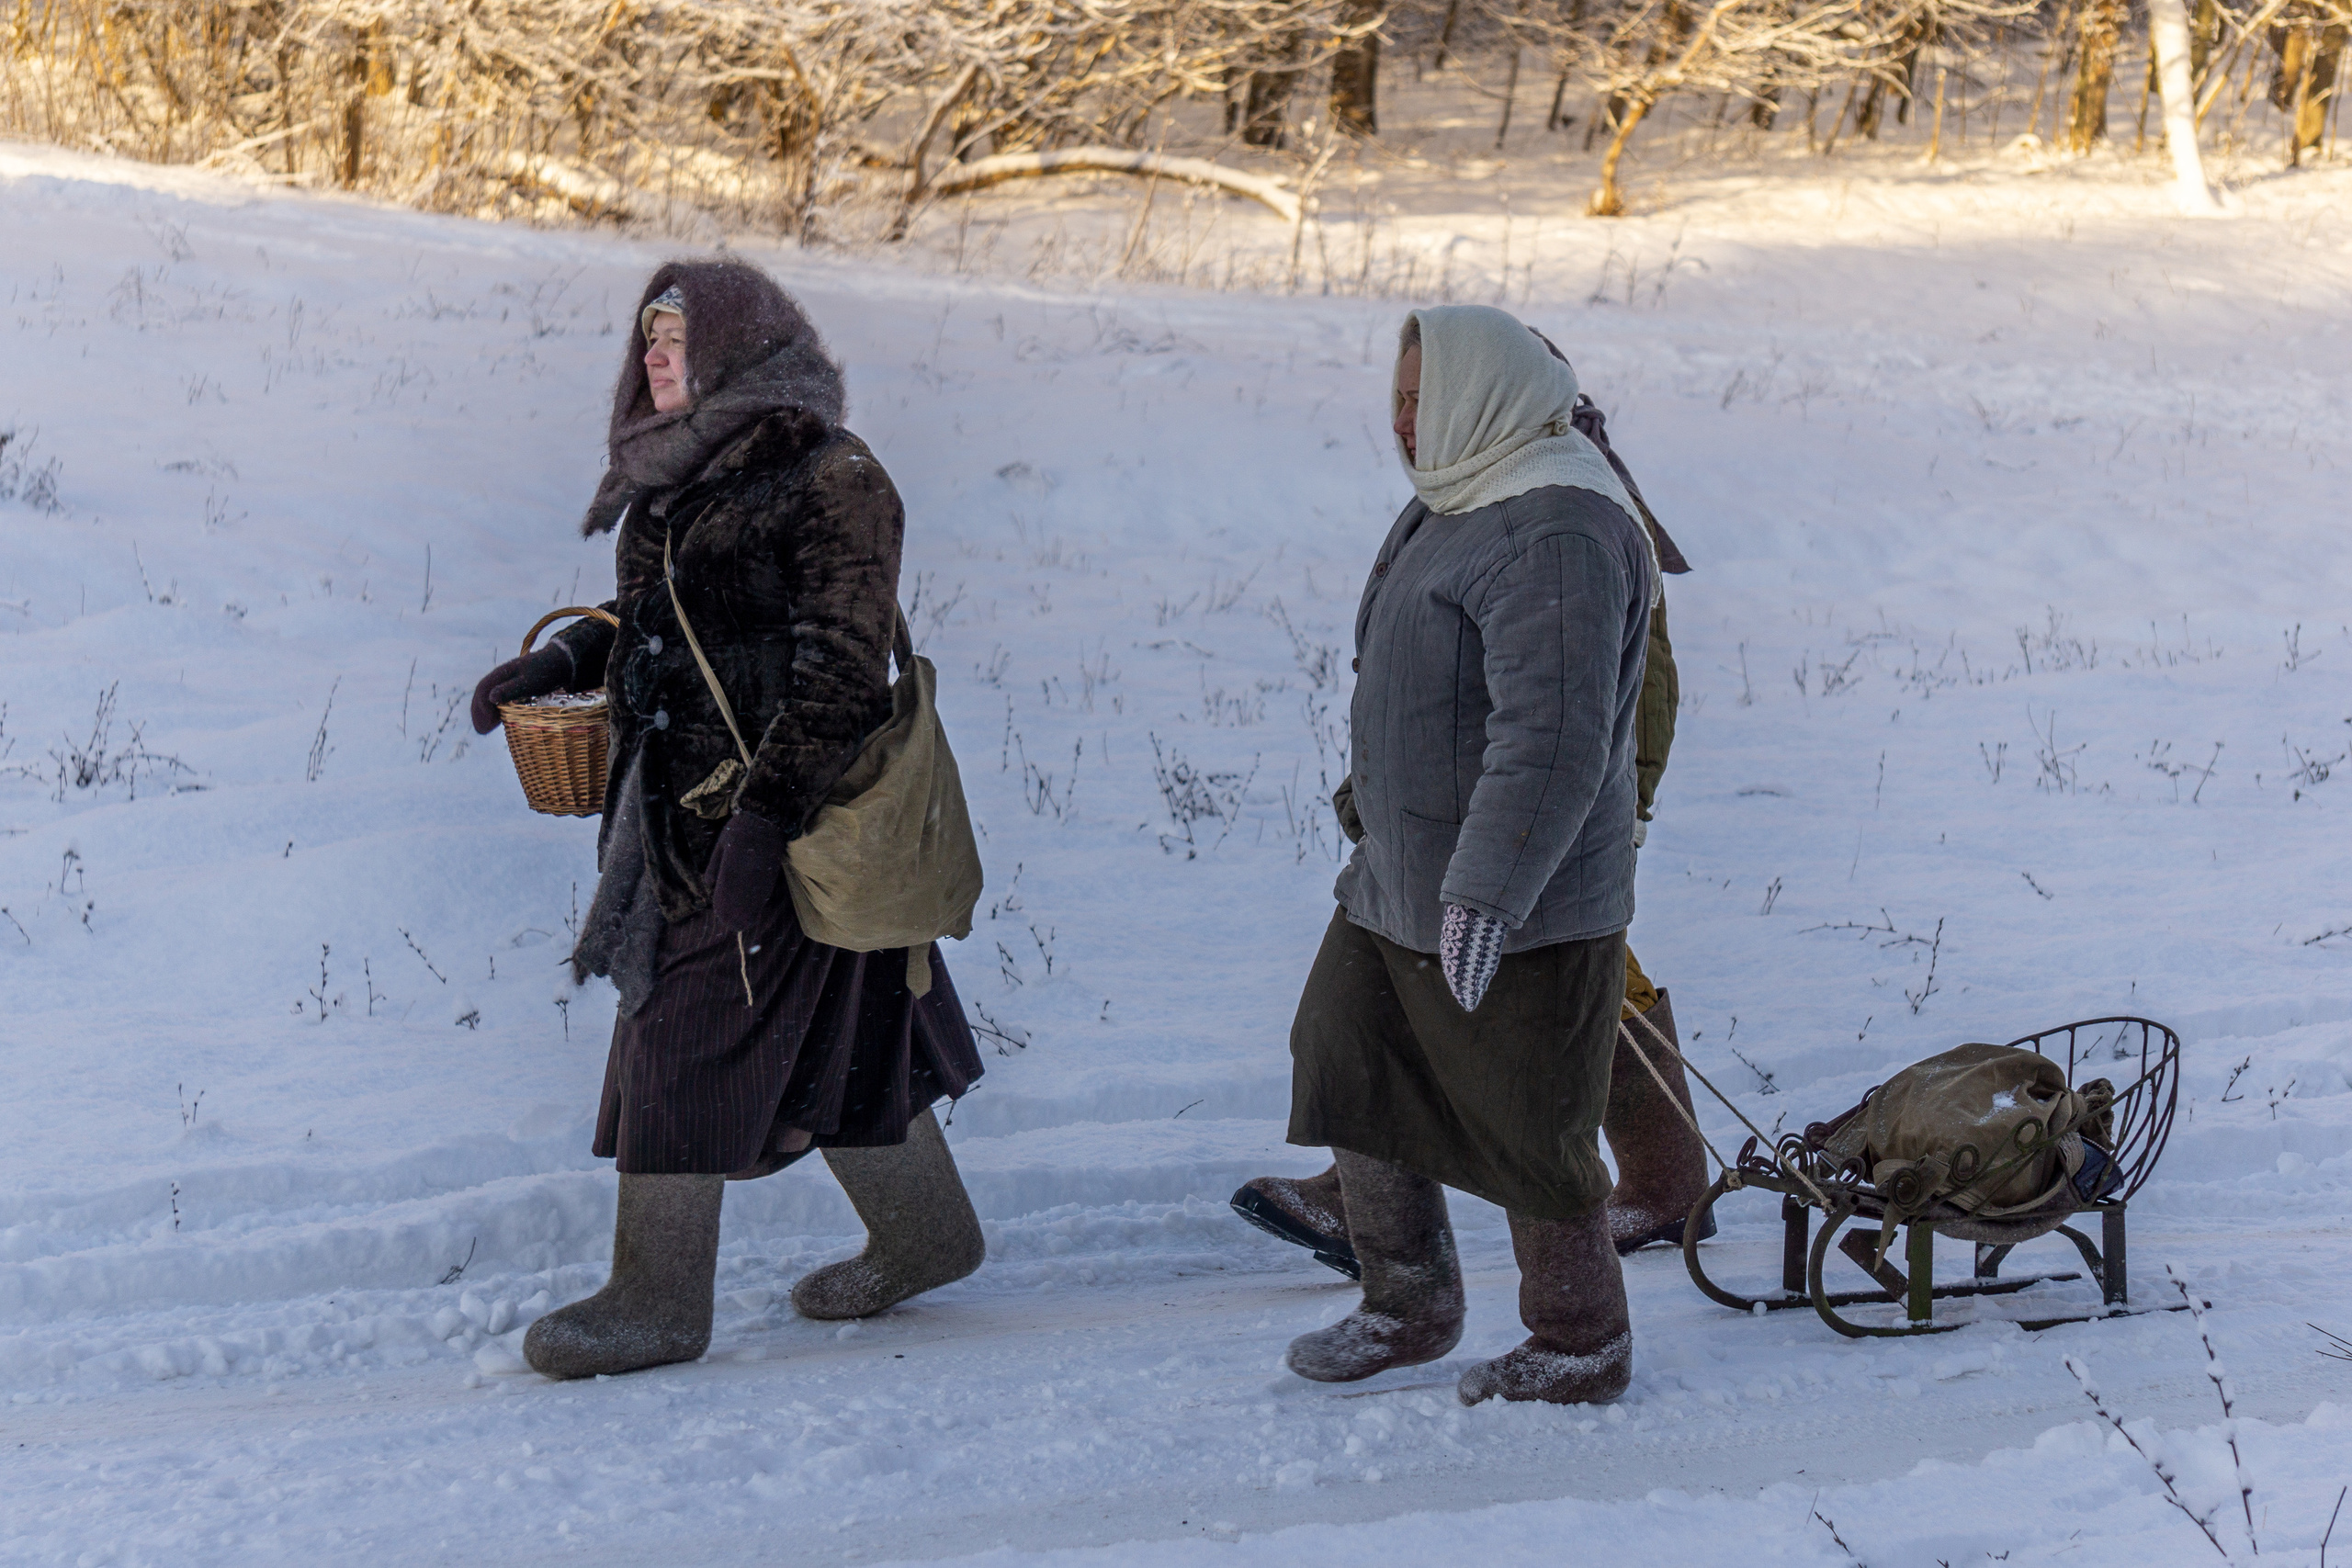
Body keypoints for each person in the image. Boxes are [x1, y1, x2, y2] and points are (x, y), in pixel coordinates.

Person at [470, 260, 987, 1381]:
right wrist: (563, 656)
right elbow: (664, 617)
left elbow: (842, 671)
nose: (655, 357)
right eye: (648, 337)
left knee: (679, 1038)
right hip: (680, 819)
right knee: (851, 1035)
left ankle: (658, 1300)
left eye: (678, 338)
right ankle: (927, 1237)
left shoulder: (830, 477)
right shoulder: (677, 472)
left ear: (743, 352)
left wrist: (762, 826)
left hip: (791, 822)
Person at [1269, 305, 1657, 1406]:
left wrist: (1486, 895)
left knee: (1527, 1116)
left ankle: (1580, 1340)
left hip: (1515, 899)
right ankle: (1408, 1303)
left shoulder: (1561, 527)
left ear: (1484, 395)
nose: (1403, 422)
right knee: (1345, 1059)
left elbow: (1553, 738)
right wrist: (1373, 792)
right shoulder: (1455, 494)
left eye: (1421, 400)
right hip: (1398, 880)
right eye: (1396, 397)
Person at [1233, 383, 1711, 1275]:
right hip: (1489, 802)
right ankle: (1379, 1192)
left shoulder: (1572, 511)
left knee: (1556, 975)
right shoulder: (1488, 492)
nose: (1411, 420)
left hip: (1556, 805)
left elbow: (1630, 686)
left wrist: (1624, 803)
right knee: (1431, 969)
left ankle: (1659, 1189)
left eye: (1435, 392)